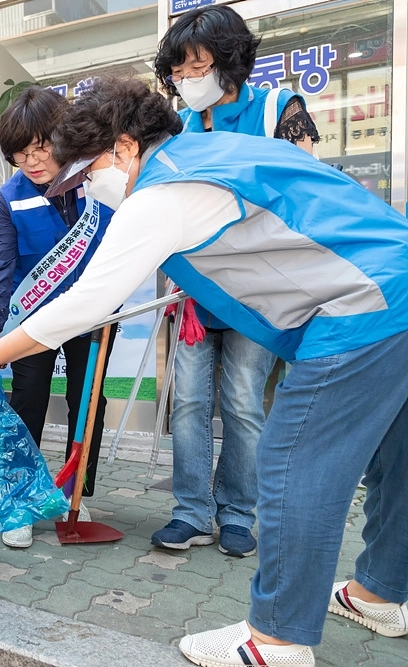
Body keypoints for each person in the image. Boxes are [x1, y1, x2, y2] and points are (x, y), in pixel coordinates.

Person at [0, 75, 408, 667]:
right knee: (397, 458)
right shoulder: (210, 153)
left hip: (361, 310)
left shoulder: (164, 189)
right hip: (397, 291)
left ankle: (278, 641)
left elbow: (86, 299)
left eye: (87, 174)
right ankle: (380, 593)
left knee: (294, 466)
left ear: (127, 147)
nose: (88, 189)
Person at [149, 4, 320, 558]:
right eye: (177, 72)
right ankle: (191, 513)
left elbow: (305, 191)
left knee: (245, 402)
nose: (186, 81)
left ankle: (239, 513)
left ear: (229, 61)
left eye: (195, 67)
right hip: (198, 292)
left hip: (260, 291)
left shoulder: (277, 108)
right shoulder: (180, 127)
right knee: (188, 405)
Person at [0, 87, 115, 548]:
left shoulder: (100, 183)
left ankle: (74, 493)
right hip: (33, 316)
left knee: (88, 399)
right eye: (20, 154)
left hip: (93, 313)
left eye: (41, 149)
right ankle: (23, 497)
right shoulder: (8, 199)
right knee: (28, 397)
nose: (32, 162)